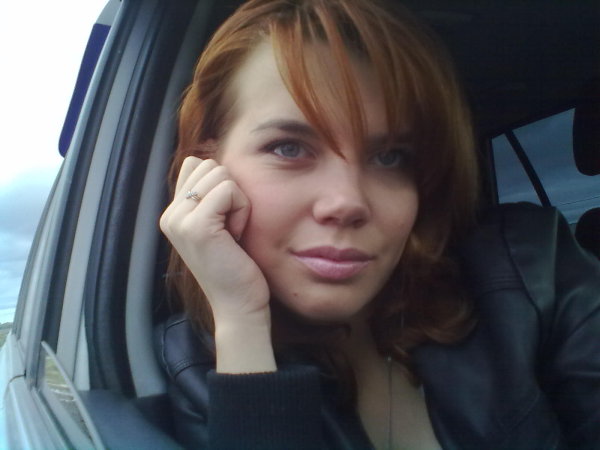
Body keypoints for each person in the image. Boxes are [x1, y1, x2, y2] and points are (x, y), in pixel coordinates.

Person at [158, 0, 600, 448]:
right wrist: (243, 323)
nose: (348, 201)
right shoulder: (196, 364)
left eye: (390, 157)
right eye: (288, 148)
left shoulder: (533, 271)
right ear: (208, 165)